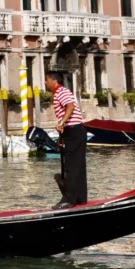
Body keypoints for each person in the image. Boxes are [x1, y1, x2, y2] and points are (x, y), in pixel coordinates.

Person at [46, 70, 88, 209]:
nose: (46, 83)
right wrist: (61, 137)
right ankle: (80, 199)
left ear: (54, 81)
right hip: (74, 131)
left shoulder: (61, 92)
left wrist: (62, 123)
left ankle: (68, 200)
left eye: (47, 80)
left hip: (74, 131)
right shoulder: (61, 92)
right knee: (78, 165)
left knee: (71, 166)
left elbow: (70, 107)